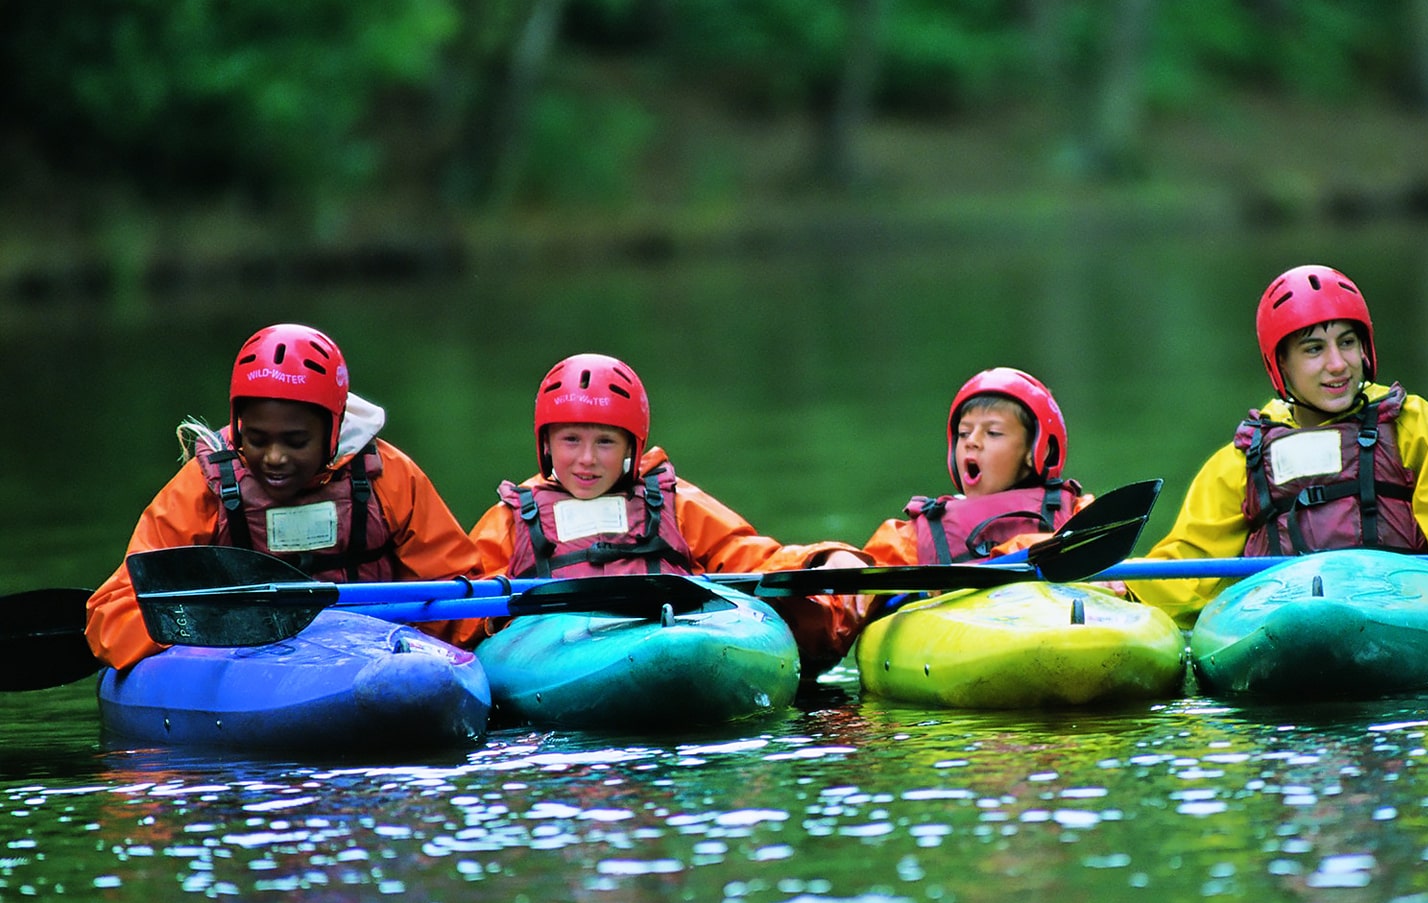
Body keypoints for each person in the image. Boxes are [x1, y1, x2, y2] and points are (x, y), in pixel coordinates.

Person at [1128, 264, 1428, 626]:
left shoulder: (1409, 423)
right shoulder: (1243, 459)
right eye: (1314, 349)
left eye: (1347, 342)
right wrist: (1125, 587)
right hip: (1287, 620)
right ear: (1281, 364)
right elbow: (1189, 562)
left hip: (1406, 608)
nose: (1337, 364)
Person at [86, 324, 489, 670]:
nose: (275, 458)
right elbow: (114, 613)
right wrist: (205, 626)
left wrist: (488, 633)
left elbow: (459, 590)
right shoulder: (202, 489)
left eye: (296, 441)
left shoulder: (390, 478)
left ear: (333, 430)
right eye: (257, 439)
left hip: (375, 655)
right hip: (246, 662)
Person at [466, 352, 867, 671]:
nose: (586, 459)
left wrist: (825, 557)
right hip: (556, 664)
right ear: (547, 444)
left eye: (605, 442)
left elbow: (752, 557)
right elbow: (457, 611)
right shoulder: (510, 520)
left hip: (678, 642)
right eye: (571, 439)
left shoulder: (676, 504)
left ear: (631, 447)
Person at [858, 367, 1097, 567]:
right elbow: (858, 581)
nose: (972, 441)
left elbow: (1107, 565)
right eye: (964, 433)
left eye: (993, 433)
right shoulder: (916, 536)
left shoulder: (1077, 515)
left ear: (1037, 450)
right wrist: (833, 555)